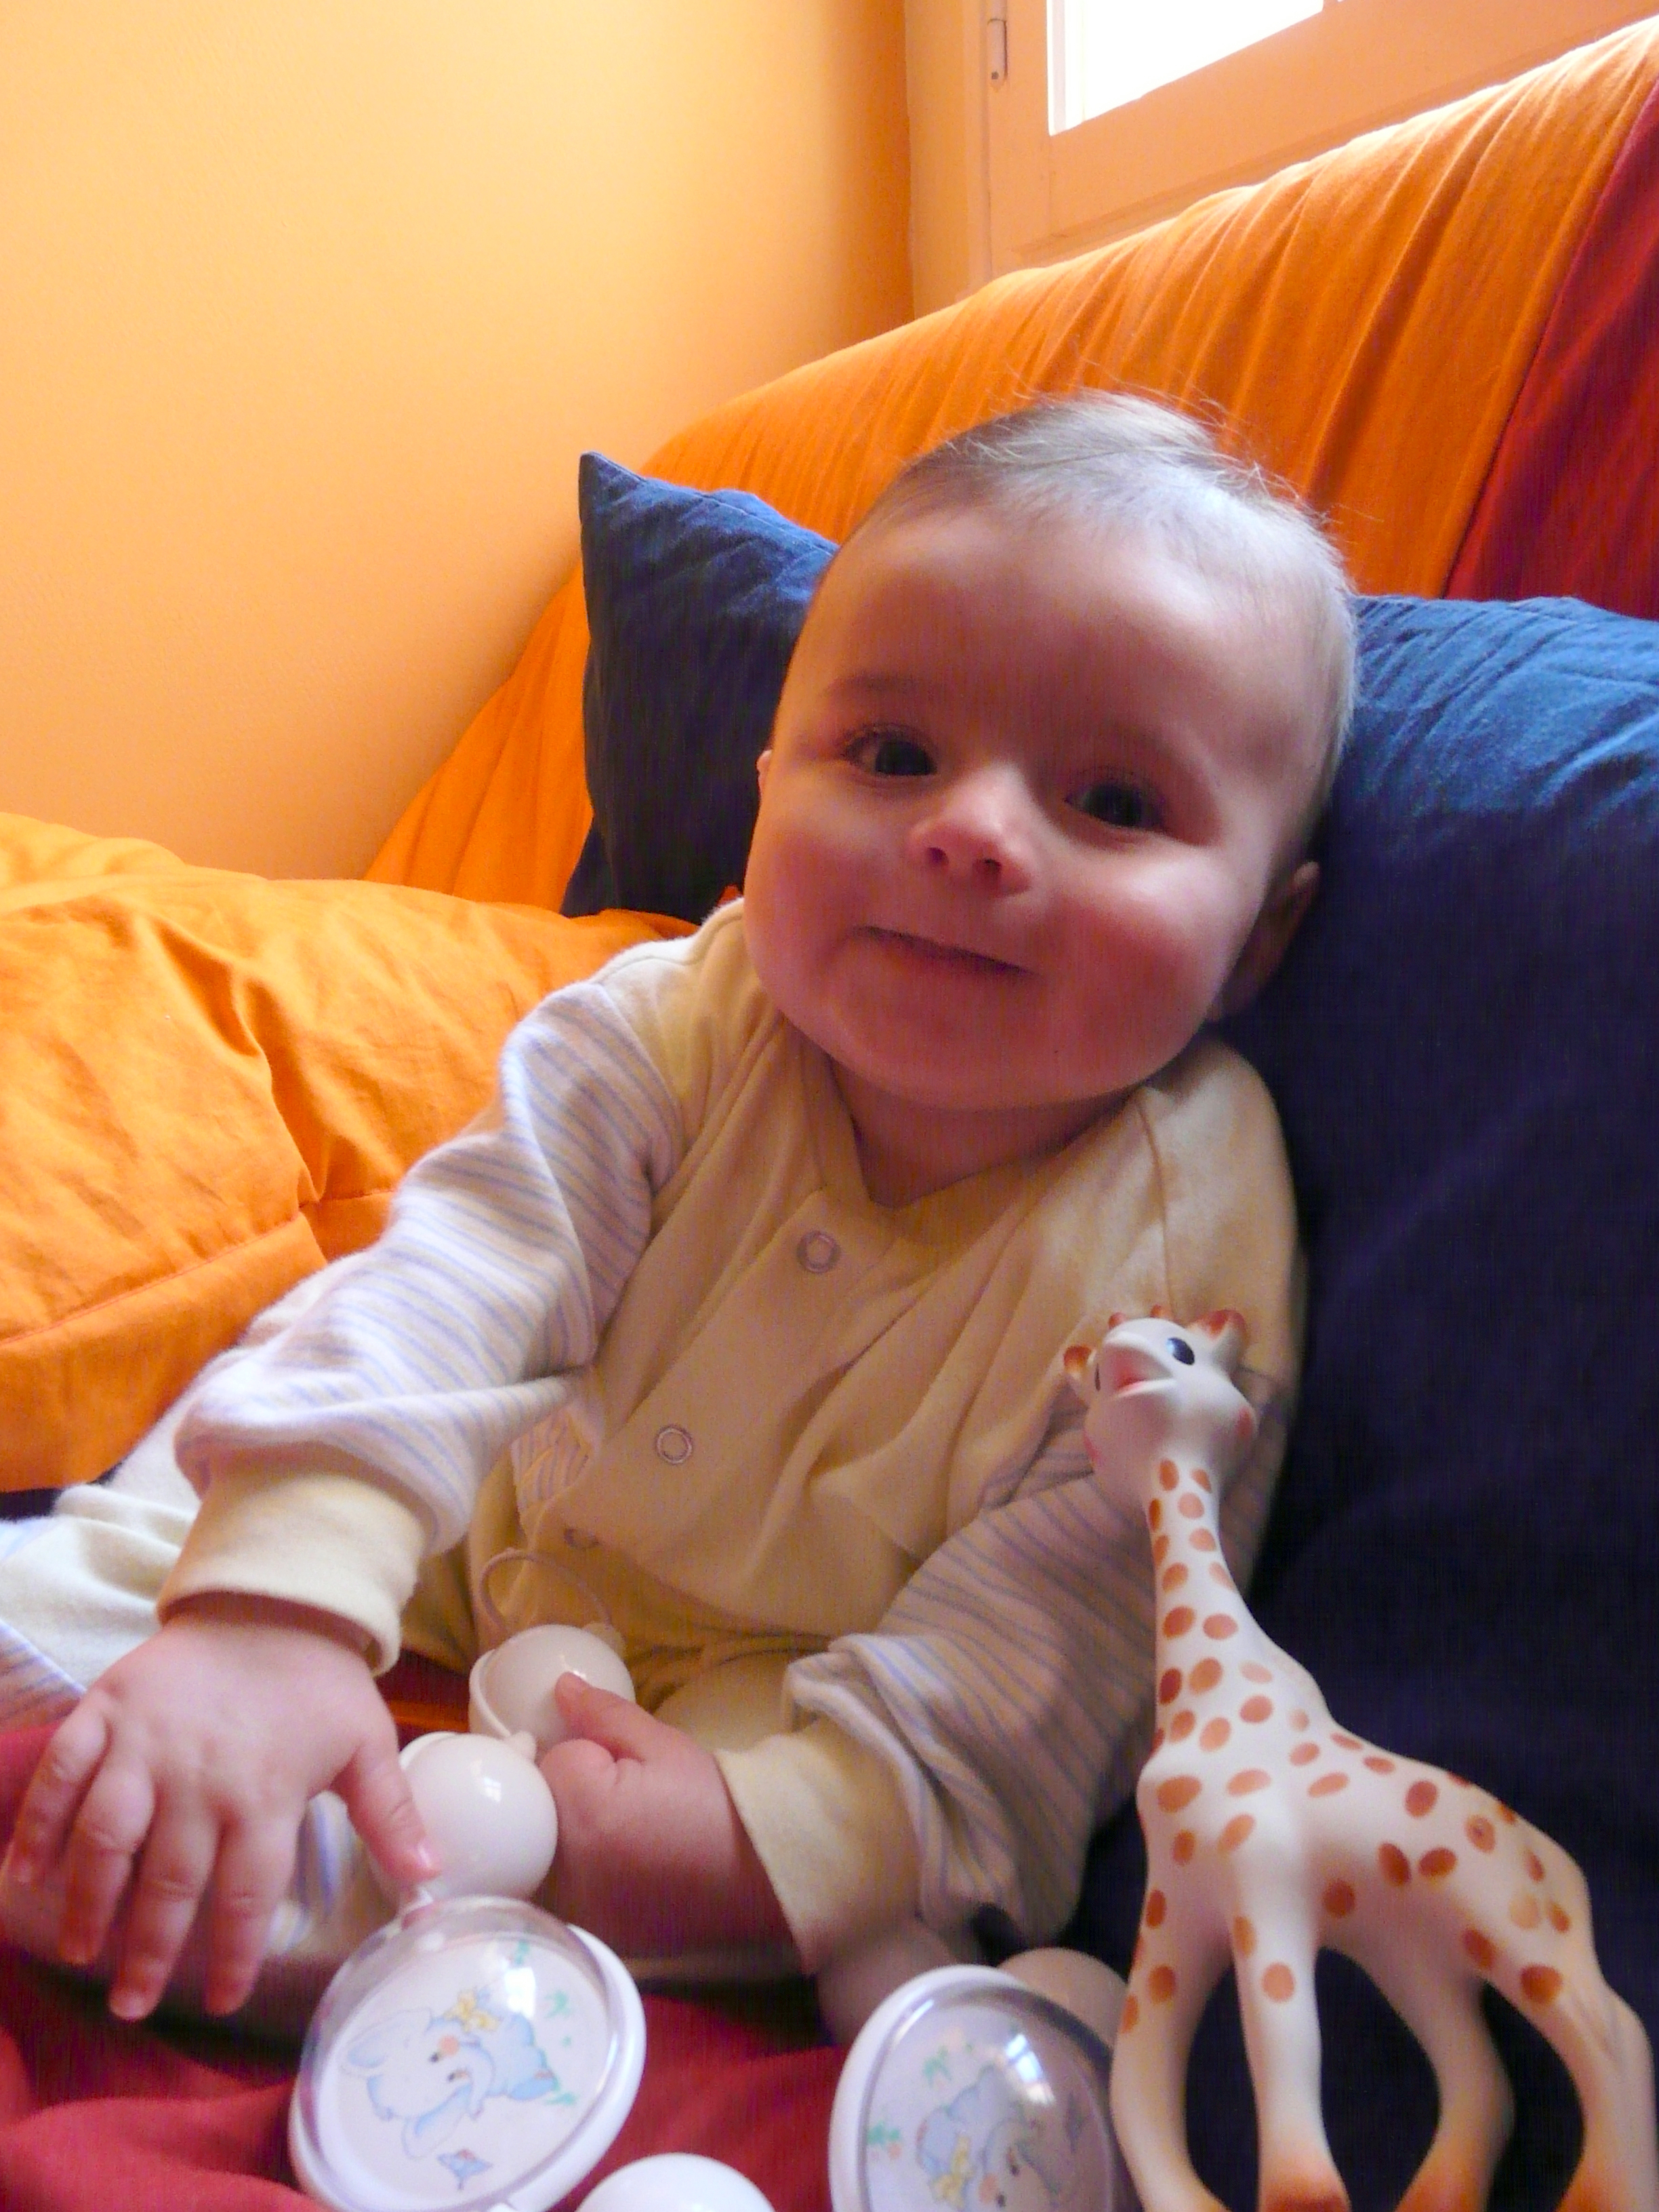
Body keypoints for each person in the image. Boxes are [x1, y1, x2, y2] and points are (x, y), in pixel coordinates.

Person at [0, 393, 1355, 2027]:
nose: (970, 831)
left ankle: (256, 1891)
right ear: (769, 785)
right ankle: (149, 1771)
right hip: (462, 1509)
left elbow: (1067, 1629)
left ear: (1260, 940)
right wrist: (266, 1609)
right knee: (119, 1582)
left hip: (776, 1694)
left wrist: (778, 1831)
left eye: (1117, 803)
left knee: (688, 1890)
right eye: (894, 756)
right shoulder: (672, 1024)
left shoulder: (1193, 1233)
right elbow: (456, 1283)